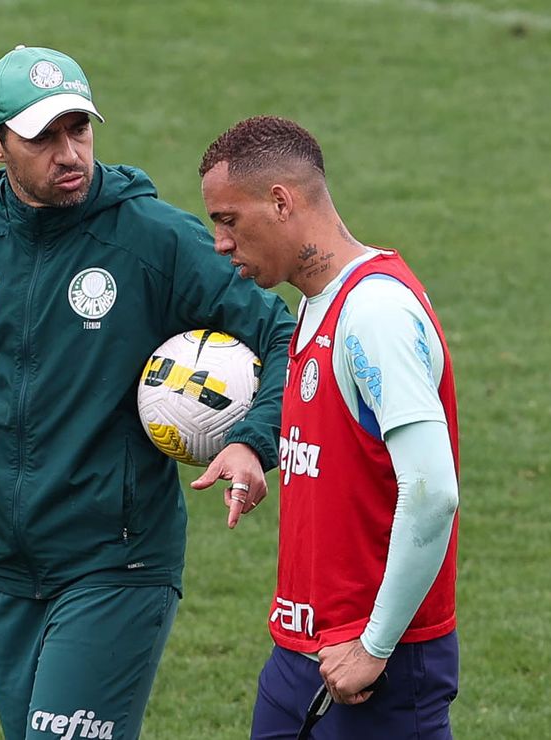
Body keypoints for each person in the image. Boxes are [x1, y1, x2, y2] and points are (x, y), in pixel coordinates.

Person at [0, 47, 294, 740]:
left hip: (119, 564)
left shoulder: (154, 240)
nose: (69, 151)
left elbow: (284, 337)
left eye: (79, 129)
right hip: (10, 571)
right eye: (43, 137)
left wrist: (255, 443)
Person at [199, 116, 462, 739]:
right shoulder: (317, 303)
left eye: (228, 220)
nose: (218, 242)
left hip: (370, 666)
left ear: (281, 201)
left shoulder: (375, 314)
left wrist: (374, 647)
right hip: (301, 650)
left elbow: (432, 492)